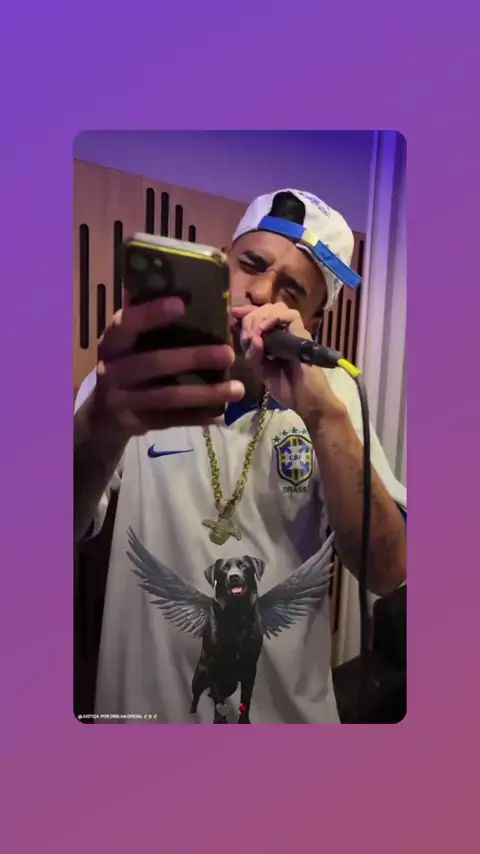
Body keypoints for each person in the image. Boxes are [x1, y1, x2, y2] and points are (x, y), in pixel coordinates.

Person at [74, 189, 406, 723]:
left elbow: (388, 573)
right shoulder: (134, 378)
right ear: (223, 264)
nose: (261, 292)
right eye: (251, 264)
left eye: (292, 291)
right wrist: (101, 422)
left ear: (313, 323)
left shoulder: (336, 399)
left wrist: (325, 418)